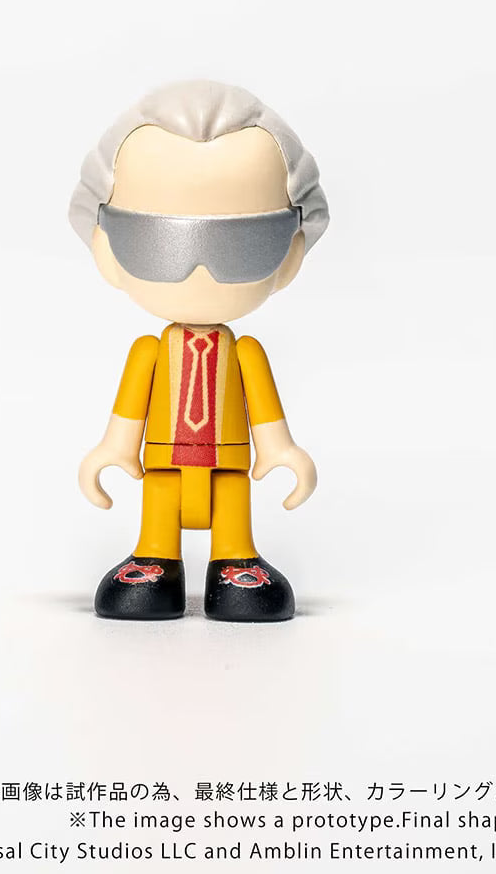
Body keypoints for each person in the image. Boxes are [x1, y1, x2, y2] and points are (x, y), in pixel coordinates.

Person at [69, 80, 328, 621]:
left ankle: (234, 561)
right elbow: (128, 414)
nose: (198, 269)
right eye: (156, 245)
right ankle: (156, 559)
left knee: (233, 503)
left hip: (229, 465)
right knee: (158, 503)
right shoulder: (150, 351)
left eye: (245, 247)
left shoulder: (245, 353)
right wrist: (114, 447)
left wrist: (280, 449)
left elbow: (265, 415)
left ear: (290, 254)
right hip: (162, 463)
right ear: (105, 250)